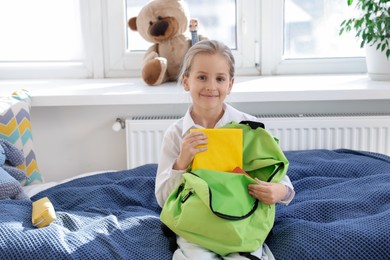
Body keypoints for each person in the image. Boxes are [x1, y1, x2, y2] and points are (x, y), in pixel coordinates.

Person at [155, 40, 295, 260]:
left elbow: (282, 181)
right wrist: (182, 161)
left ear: (230, 85)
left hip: (241, 220)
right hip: (195, 224)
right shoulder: (176, 134)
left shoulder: (249, 127)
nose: (211, 86)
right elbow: (163, 199)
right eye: (202, 77)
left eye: (220, 79)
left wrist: (279, 192)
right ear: (186, 82)